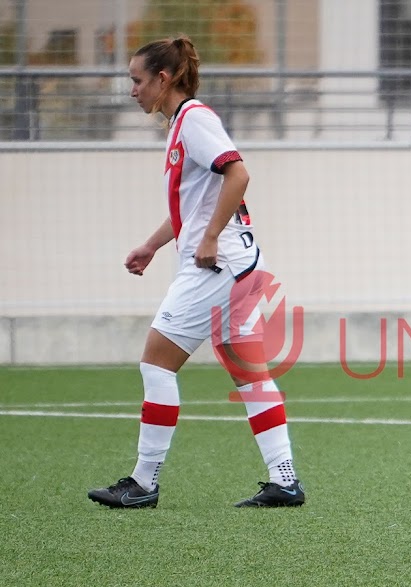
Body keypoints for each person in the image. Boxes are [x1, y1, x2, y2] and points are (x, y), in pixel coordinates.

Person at [87, 36, 305, 509]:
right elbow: (194, 206)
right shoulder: (181, 125)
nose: (132, 90)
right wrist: (152, 244)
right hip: (240, 263)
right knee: (249, 373)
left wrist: (207, 240)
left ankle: (144, 483)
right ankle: (285, 480)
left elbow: (239, 174)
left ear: (163, 79)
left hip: (217, 265)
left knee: (156, 363)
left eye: (137, 80)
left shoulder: (195, 120)